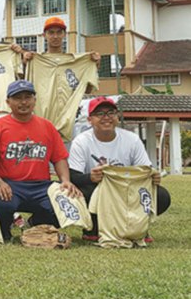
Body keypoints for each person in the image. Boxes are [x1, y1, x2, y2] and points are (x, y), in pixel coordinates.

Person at [0, 79, 81, 242]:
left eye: (28, 97)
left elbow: (59, 158)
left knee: (61, 205)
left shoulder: (47, 126)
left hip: (41, 185)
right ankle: (4, 231)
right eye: (17, 98)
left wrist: (65, 181)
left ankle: (36, 223)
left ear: (35, 100)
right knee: (3, 205)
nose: (23, 102)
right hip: (10, 183)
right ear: (8, 102)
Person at [67, 96, 171, 242]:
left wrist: (153, 177)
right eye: (100, 114)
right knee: (78, 193)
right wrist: (90, 177)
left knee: (161, 196)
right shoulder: (82, 141)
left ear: (118, 117)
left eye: (111, 113)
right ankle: (94, 228)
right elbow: (72, 176)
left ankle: (137, 227)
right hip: (99, 190)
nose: (106, 118)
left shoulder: (131, 139)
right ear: (90, 120)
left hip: (127, 189)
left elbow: (146, 169)